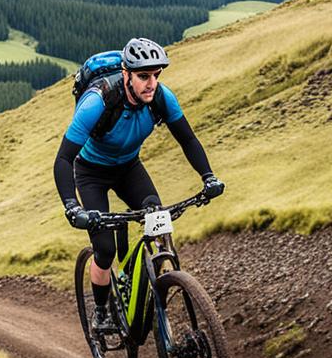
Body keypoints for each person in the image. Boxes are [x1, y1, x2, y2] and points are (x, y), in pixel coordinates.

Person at [53, 37, 224, 333]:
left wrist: (208, 176)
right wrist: (72, 207)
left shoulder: (161, 97)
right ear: (126, 73)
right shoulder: (98, 101)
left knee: (159, 223)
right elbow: (64, 158)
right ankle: (103, 312)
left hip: (129, 168)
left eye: (156, 75)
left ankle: (140, 280)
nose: (151, 83)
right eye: (144, 76)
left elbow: (188, 139)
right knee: (104, 249)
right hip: (91, 173)